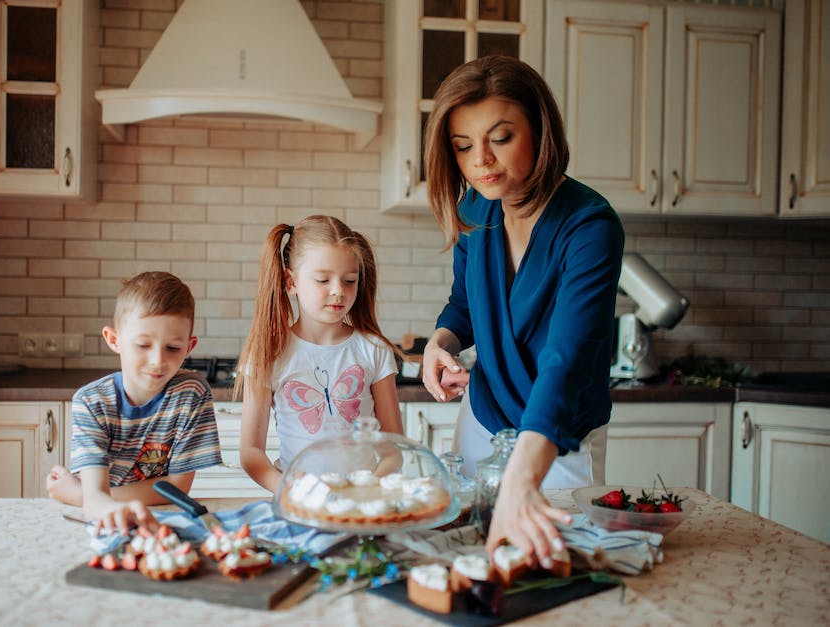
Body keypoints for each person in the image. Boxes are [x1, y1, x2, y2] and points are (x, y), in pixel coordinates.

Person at [420, 56, 625, 568]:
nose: (481, 161)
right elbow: (464, 304)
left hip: (556, 436)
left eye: (501, 137)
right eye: (463, 146)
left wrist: (522, 477)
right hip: (482, 418)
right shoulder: (476, 210)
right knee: (470, 560)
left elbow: (568, 358)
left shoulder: (590, 226)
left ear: (540, 128)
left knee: (552, 569)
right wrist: (441, 342)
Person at [236, 215, 404, 493]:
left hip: (362, 504)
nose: (338, 291)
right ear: (290, 282)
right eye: (323, 279)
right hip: (299, 504)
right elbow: (251, 451)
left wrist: (367, 489)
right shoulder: (269, 353)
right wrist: (289, 490)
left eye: (349, 281)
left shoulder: (373, 350)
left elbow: (394, 448)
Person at [46, 271, 222, 535]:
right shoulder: (91, 402)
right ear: (114, 339)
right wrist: (94, 498)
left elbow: (176, 489)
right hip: (101, 522)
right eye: (143, 344)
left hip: (155, 517)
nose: (157, 360)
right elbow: (96, 497)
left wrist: (75, 494)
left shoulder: (192, 394)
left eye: (172, 348)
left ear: (189, 346)